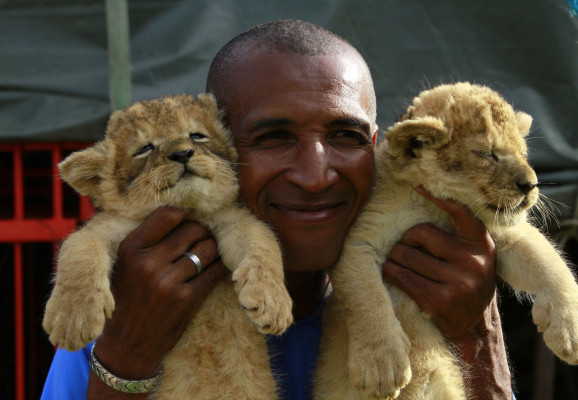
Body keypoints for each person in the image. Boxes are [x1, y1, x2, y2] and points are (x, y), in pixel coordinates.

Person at [42, 20, 513, 399]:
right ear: (219, 144)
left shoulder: (433, 283)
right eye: (273, 138)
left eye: (345, 137)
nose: (315, 175)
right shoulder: (127, 302)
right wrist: (126, 356)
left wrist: (476, 336)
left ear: (377, 149)